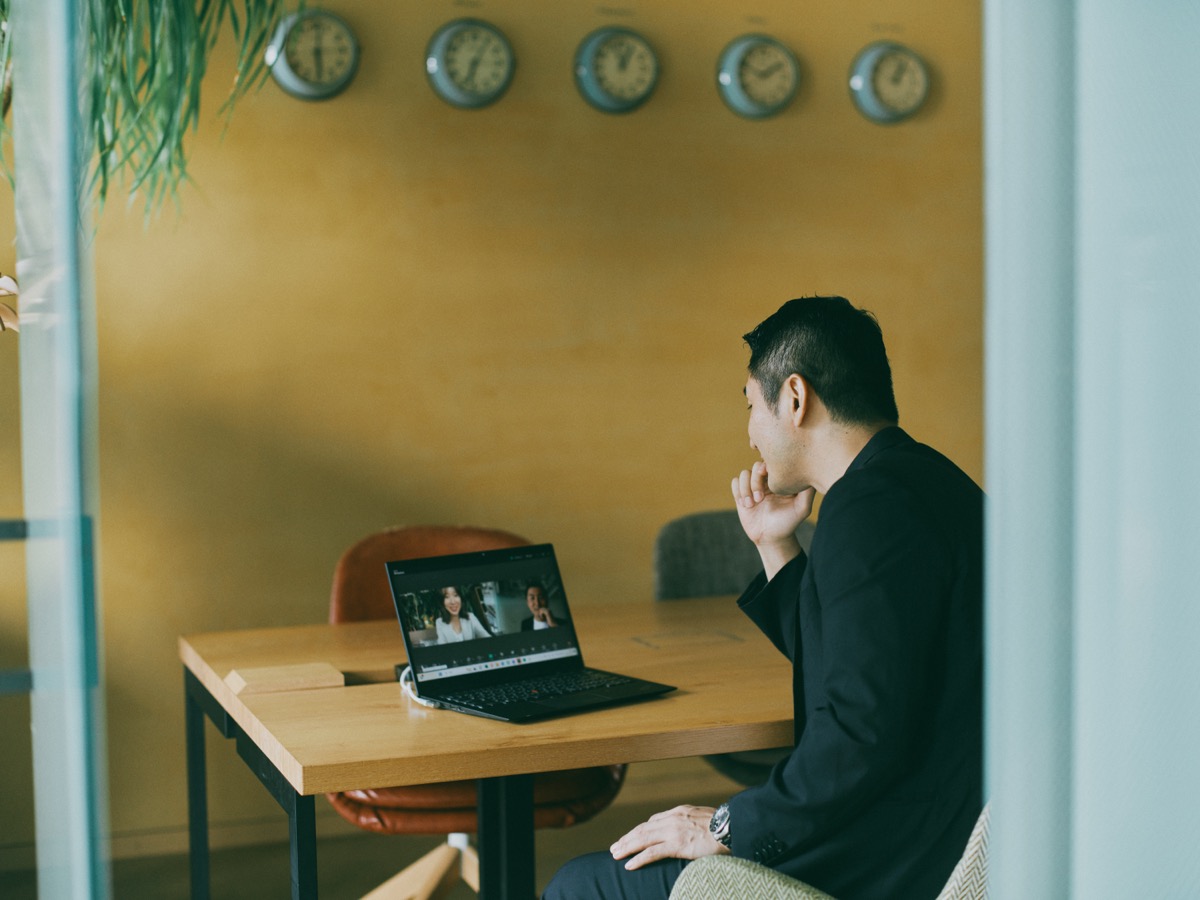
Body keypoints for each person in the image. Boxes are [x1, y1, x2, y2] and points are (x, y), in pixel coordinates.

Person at [543, 296, 984, 900]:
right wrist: (776, 545)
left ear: (795, 398)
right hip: (936, 831)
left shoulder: (866, 512)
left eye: (751, 404)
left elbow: (859, 734)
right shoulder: (930, 483)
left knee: (581, 885)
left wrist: (728, 826)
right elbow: (858, 663)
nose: (750, 433)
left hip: (886, 857)